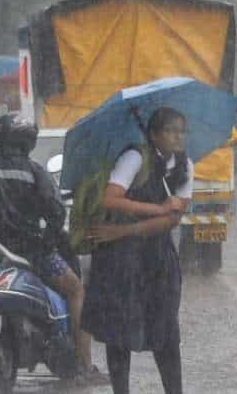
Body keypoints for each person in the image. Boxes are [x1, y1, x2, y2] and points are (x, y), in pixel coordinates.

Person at [0, 113, 95, 390]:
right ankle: (85, 366)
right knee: (76, 290)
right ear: (27, 142)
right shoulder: (33, 172)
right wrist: (47, 240)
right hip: (30, 252)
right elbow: (56, 213)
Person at [82, 107, 193, 394]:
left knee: (166, 329)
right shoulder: (134, 158)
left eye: (181, 130)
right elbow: (111, 199)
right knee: (119, 330)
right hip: (120, 258)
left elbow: (173, 219)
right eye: (170, 130)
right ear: (154, 134)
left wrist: (126, 230)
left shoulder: (185, 166)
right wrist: (157, 208)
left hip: (156, 256)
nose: (177, 136)